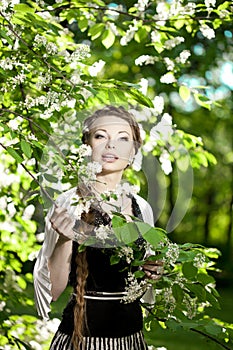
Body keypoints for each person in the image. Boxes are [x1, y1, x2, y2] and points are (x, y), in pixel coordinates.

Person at [33, 105, 163, 350]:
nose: (111, 145)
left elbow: (141, 285)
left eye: (123, 139)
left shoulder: (142, 208)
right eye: (101, 135)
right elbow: (52, 291)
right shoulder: (68, 203)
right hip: (80, 340)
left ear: (134, 152)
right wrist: (63, 239)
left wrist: (152, 272)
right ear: (87, 146)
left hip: (131, 340)